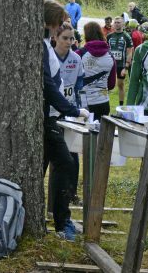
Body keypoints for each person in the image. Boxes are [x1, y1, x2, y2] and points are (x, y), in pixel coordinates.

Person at [43, 1, 90, 241]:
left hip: (56, 114)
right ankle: (62, 222)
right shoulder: (41, 45)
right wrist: (72, 109)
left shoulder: (44, 44)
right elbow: (48, 87)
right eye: (59, 24)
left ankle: (56, 219)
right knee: (65, 163)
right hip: (50, 116)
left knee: (53, 164)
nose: (61, 28)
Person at [51, 23, 85, 203]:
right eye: (65, 38)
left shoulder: (76, 58)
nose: (69, 42)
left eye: (71, 38)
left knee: (72, 153)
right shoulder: (49, 56)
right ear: (55, 37)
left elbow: (80, 84)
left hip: (70, 110)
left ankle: (71, 191)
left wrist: (80, 107)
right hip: (52, 111)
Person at [78, 21, 116, 121]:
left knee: (83, 134)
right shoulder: (110, 55)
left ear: (86, 35)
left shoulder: (79, 53)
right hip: (103, 102)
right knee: (100, 134)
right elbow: (111, 84)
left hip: (84, 103)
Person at [106, 17, 133, 108]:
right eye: (115, 22)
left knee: (120, 85)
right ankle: (105, 103)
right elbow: (105, 50)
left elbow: (130, 52)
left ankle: (121, 106)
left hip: (121, 65)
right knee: (106, 85)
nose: (117, 24)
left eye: (119, 22)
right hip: (110, 64)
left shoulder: (126, 36)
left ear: (123, 24)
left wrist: (126, 67)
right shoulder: (109, 36)